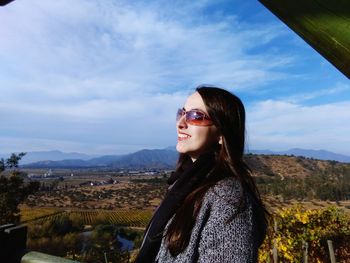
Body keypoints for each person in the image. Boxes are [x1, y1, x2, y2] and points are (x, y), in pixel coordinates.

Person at [135, 86, 267, 263]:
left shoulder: (227, 197)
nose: (180, 123)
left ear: (221, 133)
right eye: (182, 113)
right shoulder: (183, 184)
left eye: (195, 116)